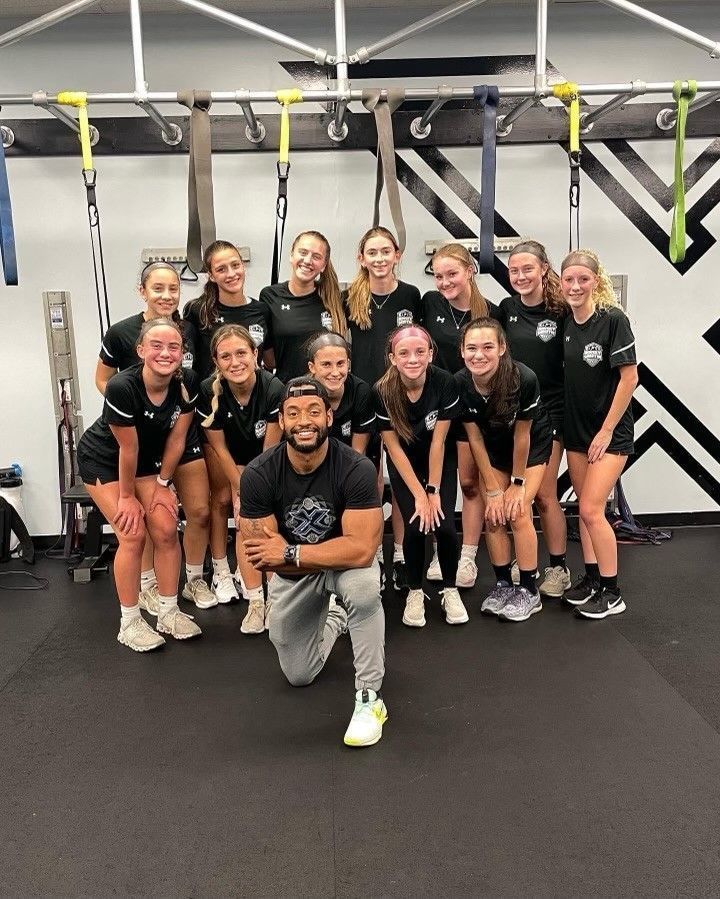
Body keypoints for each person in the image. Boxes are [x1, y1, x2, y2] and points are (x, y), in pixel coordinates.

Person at [238, 377, 387, 747]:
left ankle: (370, 699)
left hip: (337, 568)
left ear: (329, 417)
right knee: (299, 675)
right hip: (298, 576)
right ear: (283, 422)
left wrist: (291, 551)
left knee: (365, 587)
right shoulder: (258, 475)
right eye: (293, 413)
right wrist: (296, 557)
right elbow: (262, 558)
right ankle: (336, 618)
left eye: (313, 411)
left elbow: (362, 552)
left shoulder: (356, 468)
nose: (304, 421)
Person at [94, 262, 214, 614]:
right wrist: (133, 409)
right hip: (138, 434)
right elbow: (104, 380)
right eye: (157, 288)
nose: (166, 295)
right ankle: (146, 586)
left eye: (173, 288)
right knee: (146, 521)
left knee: (199, 510)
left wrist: (166, 414)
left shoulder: (189, 329)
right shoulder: (121, 333)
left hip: (179, 429)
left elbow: (193, 380)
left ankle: (193, 580)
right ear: (142, 291)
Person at [77, 318, 202, 651]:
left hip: (146, 459)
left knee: (164, 525)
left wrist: (163, 484)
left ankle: (168, 612)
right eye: (157, 346)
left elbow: (177, 440)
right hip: (103, 458)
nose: (165, 353)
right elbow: (126, 448)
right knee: (132, 532)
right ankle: (129, 622)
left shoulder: (188, 382)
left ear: (182, 353)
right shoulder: (122, 386)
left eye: (173, 346)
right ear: (141, 350)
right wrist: (128, 497)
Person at [457, 318, 553, 622]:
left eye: (488, 347)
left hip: (530, 449)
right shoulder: (460, 382)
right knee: (493, 513)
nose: (479, 355)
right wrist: (494, 490)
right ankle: (502, 584)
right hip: (493, 449)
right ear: (462, 351)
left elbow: (523, 435)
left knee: (518, 510)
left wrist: (517, 483)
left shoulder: (523, 378)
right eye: (471, 348)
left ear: (502, 348)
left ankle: (528, 590)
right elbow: (474, 438)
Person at [373, 325, 468, 627]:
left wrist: (433, 491)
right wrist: (418, 495)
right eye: (404, 353)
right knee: (414, 527)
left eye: (419, 352)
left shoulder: (445, 382)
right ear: (392, 358)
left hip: (439, 461)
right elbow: (394, 450)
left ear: (430, 354)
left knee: (445, 526)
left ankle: (450, 589)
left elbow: (439, 442)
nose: (412, 359)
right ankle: (415, 591)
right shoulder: (382, 392)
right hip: (406, 465)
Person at [560, 250, 638, 619]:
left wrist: (607, 431)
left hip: (609, 435)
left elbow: (630, 377)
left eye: (583, 279)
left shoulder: (613, 320)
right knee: (582, 510)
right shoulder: (566, 323)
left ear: (596, 280)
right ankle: (592, 579)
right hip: (576, 431)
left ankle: (612, 590)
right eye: (569, 280)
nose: (575, 286)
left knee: (593, 509)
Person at [345, 226, 422, 592]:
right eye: (371, 252)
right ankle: (373, 554)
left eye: (385, 251)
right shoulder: (350, 299)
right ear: (362, 258)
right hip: (363, 399)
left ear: (397, 255)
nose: (379, 258)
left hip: (399, 398)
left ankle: (404, 555)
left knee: (404, 482)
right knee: (369, 482)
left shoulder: (411, 295)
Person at [198, 324, 284, 633]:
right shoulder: (210, 390)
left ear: (255, 354)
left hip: (269, 464)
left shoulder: (274, 388)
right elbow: (218, 448)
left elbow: (270, 450)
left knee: (267, 523)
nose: (235, 362)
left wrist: (254, 491)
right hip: (232, 463)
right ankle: (255, 601)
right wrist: (240, 489)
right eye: (226, 356)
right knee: (242, 518)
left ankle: (274, 598)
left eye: (241, 353)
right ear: (216, 361)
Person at [422, 243, 499, 589]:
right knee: (439, 482)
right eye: (438, 275)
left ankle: (467, 556)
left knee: (470, 484)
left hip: (473, 410)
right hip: (436, 407)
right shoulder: (430, 303)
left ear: (470, 271)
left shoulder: (491, 313)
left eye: (451, 274)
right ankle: (443, 551)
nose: (444, 282)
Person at [498, 240, 571, 597]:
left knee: (542, 494)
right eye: (514, 270)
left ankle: (558, 568)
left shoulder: (562, 310)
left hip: (552, 411)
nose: (521, 276)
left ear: (544, 269)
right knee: (513, 496)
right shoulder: (506, 309)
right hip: (515, 416)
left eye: (528, 268)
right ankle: (521, 561)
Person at [260, 231, 346, 383]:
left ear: (324, 265)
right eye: (303, 252)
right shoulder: (270, 296)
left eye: (316, 256)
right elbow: (269, 360)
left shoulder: (335, 299)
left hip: (327, 391)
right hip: (288, 391)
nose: (308, 260)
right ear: (291, 255)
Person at [183, 240, 270, 380]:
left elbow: (269, 360)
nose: (231, 274)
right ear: (211, 276)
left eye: (235, 265)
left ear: (243, 266)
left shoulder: (262, 310)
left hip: (251, 395)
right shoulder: (197, 310)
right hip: (210, 396)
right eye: (221, 269)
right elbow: (188, 359)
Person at [305, 332, 375, 453]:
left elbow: (357, 453)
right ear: (312, 367)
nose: (335, 372)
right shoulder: (301, 394)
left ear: (348, 364)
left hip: (349, 463)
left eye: (340, 364)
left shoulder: (360, 392)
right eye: (326, 364)